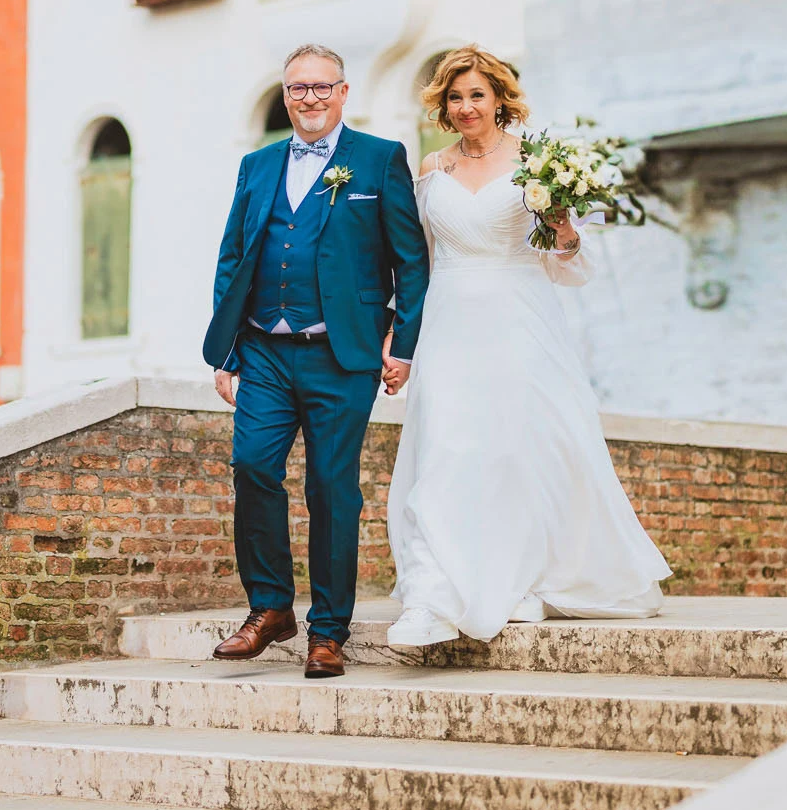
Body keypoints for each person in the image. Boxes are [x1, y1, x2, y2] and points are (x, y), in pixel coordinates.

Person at [385, 45, 668, 647]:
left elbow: (564, 258)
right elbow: (419, 260)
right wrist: (399, 331)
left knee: (519, 447)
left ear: (499, 100)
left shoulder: (536, 162)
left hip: (519, 313)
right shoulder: (433, 170)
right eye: (455, 97)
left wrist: (566, 233)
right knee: (446, 444)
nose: (466, 107)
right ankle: (435, 589)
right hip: (449, 318)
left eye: (477, 95)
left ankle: (524, 581)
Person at [203, 43, 430, 678]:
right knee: (251, 467)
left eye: (321, 87)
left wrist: (403, 344)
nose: (309, 97)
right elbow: (232, 259)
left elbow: (410, 263)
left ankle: (327, 631)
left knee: (332, 490)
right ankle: (270, 607)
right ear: (286, 95)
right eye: (298, 88)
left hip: (343, 353)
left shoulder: (379, 160)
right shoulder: (257, 165)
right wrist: (224, 349)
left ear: (343, 92)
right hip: (264, 350)